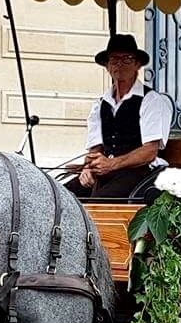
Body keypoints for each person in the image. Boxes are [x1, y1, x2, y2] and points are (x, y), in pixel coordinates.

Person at [67, 33, 174, 200]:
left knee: (99, 202)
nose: (120, 65)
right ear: (107, 66)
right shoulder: (100, 103)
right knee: (60, 196)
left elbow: (149, 152)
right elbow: (95, 150)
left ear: (137, 64)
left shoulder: (151, 100)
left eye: (127, 59)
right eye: (114, 60)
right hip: (107, 171)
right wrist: (88, 168)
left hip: (139, 172)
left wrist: (112, 164)